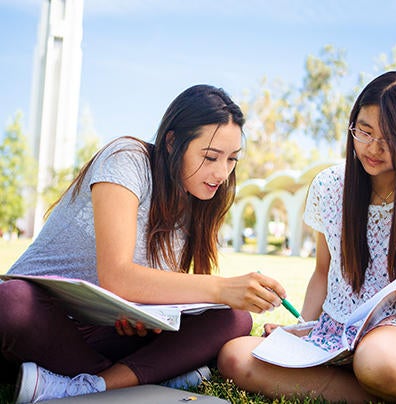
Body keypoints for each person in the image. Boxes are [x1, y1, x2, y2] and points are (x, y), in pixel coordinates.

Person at [217, 72, 396, 403]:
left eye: (390, 139)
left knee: (377, 359)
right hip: (336, 333)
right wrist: (301, 330)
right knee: (235, 356)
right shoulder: (329, 187)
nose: (373, 148)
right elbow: (323, 273)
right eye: (364, 131)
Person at [0, 84, 288, 403]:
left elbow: (160, 297)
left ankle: (90, 386)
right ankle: (147, 379)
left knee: (234, 318)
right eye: (210, 157)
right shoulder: (127, 159)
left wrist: (144, 320)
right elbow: (118, 276)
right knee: (11, 302)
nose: (221, 173)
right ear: (172, 142)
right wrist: (221, 287)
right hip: (44, 323)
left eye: (232, 159)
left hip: (102, 333)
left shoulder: (197, 201)